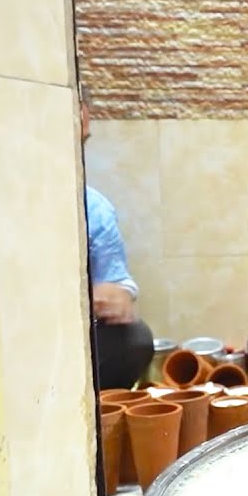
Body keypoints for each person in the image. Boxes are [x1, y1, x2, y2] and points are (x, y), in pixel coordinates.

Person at [81, 90, 154, 389]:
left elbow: (117, 283)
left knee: (134, 339)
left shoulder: (94, 208)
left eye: (81, 143)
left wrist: (115, 296)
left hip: (77, 332)